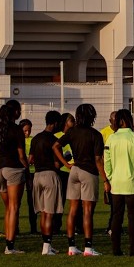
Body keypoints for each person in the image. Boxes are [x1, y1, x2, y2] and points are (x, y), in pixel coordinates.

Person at [63, 103, 108, 257]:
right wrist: (106, 180)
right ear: (92, 116)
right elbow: (98, 160)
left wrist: (66, 164)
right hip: (88, 172)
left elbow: (55, 146)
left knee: (73, 210)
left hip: (74, 171)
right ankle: (88, 247)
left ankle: (71, 246)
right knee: (87, 211)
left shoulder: (72, 132)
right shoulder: (95, 134)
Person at [0, 99, 28, 254]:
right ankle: (10, 245)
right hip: (13, 169)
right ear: (15, 112)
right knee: (13, 207)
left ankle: (9, 242)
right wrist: (27, 167)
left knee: (7, 208)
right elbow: (21, 154)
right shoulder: (16, 130)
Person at [105, 108, 134, 256]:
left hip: (116, 184)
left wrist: (109, 178)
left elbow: (107, 162)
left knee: (116, 217)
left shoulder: (111, 138)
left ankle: (116, 250)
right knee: (133, 219)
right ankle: (133, 250)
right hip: (133, 184)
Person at [29, 111, 69, 255]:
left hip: (37, 175)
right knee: (50, 213)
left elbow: (31, 159)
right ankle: (46, 247)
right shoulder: (54, 141)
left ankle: (46, 244)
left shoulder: (36, 139)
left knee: (43, 213)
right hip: (50, 175)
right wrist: (66, 158)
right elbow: (57, 165)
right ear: (55, 123)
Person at [54, 112, 74, 235]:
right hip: (62, 172)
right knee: (60, 201)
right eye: (72, 121)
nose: (74, 123)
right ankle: (56, 226)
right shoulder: (57, 136)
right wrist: (65, 161)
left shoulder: (74, 134)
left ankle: (77, 226)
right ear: (66, 122)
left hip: (74, 172)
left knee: (75, 201)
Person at [101, 110, 119, 237]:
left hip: (120, 170)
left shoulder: (123, 132)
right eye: (114, 120)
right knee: (113, 202)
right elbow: (101, 155)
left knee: (118, 202)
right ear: (110, 121)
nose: (116, 122)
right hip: (109, 171)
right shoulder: (104, 133)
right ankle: (111, 226)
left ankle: (114, 226)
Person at [20, 118, 37, 236]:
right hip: (20, 172)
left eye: (29, 130)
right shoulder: (18, 141)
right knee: (16, 201)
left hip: (32, 172)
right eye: (25, 131)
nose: (27, 133)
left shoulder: (33, 140)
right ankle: (14, 229)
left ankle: (33, 228)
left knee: (32, 201)